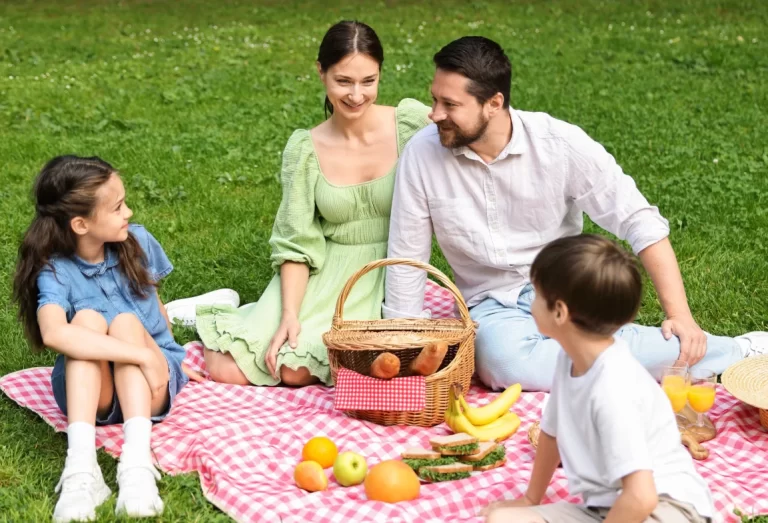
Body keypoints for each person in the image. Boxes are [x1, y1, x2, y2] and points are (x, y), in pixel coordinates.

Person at [384, 36, 767, 391]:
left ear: (494, 103)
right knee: (502, 364)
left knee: (557, 347)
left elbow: (639, 220)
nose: (434, 114)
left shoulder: (559, 143)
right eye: (435, 99)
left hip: (565, 288)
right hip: (490, 304)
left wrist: (680, 315)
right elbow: (407, 257)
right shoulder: (422, 154)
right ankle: (668, 355)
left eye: (450, 105)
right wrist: (401, 347)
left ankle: (738, 352)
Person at [195, 20, 432, 387]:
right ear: (321, 72)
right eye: (343, 81)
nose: (356, 94)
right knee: (236, 368)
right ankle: (228, 310)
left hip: (391, 267)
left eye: (368, 81)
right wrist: (290, 313)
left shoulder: (411, 125)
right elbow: (297, 240)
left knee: (311, 369)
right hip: (326, 267)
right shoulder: (305, 149)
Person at [12, 156, 198, 522]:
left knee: (127, 322)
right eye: (117, 208)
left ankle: (136, 464)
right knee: (85, 320)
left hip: (150, 382)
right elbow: (52, 333)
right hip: (93, 393)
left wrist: (156, 357)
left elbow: (159, 319)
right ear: (80, 224)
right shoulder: (56, 269)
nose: (127, 212)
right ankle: (81, 469)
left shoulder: (137, 241)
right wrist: (139, 355)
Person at [481, 234, 714, 523]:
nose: (531, 304)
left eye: (537, 295)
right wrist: (530, 500)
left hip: (670, 510)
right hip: (608, 510)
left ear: (559, 312)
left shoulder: (612, 387)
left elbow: (641, 496)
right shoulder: (570, 360)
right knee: (503, 519)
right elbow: (551, 434)